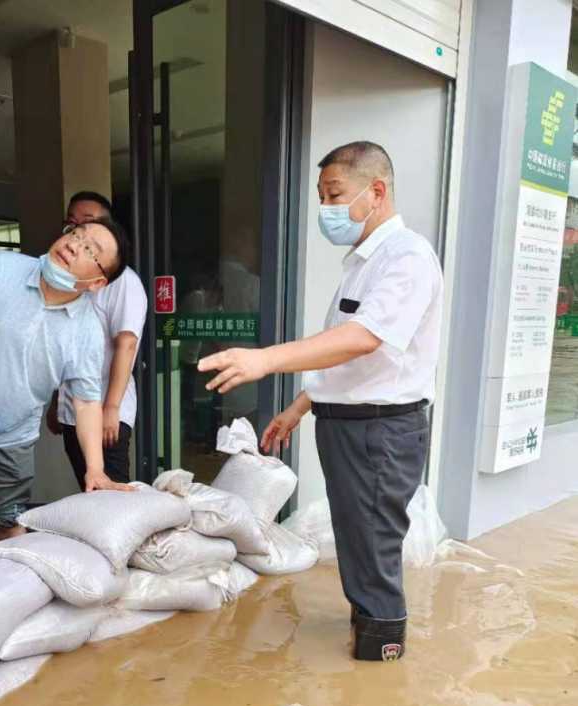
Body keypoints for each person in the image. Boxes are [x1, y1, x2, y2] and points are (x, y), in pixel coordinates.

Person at [198, 141, 443, 662]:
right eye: (322, 197)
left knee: (373, 541)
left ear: (376, 192)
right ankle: (367, 624)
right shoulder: (361, 264)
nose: (326, 210)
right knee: (357, 534)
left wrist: (265, 360)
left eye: (334, 195)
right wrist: (301, 404)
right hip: (349, 423)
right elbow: (349, 359)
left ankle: (381, 657)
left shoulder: (407, 258)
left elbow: (363, 339)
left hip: (380, 431)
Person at [0, 218, 132, 565]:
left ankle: (12, 580)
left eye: (91, 249)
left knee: (9, 518)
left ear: (97, 282)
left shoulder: (87, 329)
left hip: (13, 438)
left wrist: (95, 468)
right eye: (76, 234)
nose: (74, 244)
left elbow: (86, 401)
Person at [46, 191, 147, 485]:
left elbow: (126, 344)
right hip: (72, 411)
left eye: (89, 223)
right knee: (88, 490)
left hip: (105, 410)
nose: (78, 234)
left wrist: (111, 408)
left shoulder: (123, 281)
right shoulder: (67, 280)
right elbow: (63, 349)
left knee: (110, 500)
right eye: (72, 225)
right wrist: (57, 402)